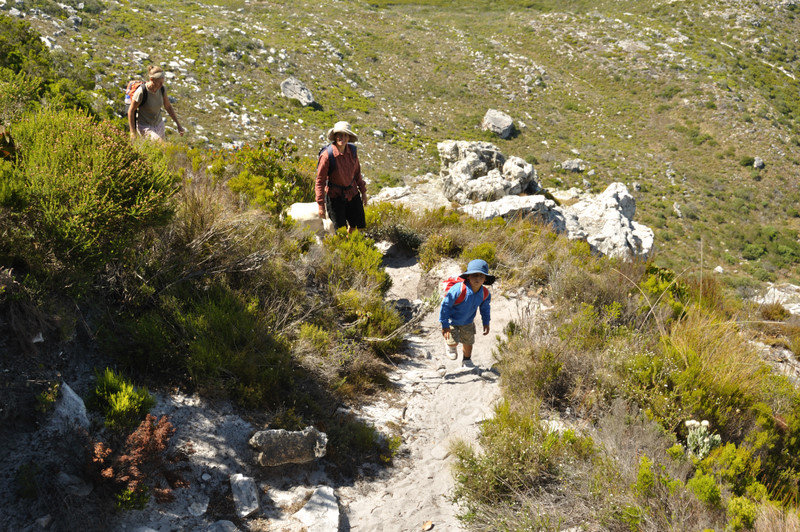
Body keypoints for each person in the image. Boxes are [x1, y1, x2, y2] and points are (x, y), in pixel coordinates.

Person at [439, 259, 495, 368]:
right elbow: (445, 305)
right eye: (474, 275)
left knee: (469, 343)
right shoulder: (459, 289)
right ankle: (450, 345)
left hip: (468, 322)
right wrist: (444, 324)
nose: (477, 278)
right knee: (453, 349)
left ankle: (467, 360)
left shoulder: (485, 293)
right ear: (468, 276)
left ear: (485, 278)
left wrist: (486, 322)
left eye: (481, 276)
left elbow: (485, 309)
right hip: (452, 321)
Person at [315, 121, 368, 233]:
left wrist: (363, 192)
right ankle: (345, 248)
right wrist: (321, 205)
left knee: (358, 225)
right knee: (341, 230)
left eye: (345, 135)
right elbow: (320, 181)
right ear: (335, 136)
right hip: (335, 197)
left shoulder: (352, 152)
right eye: (339, 135)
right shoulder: (327, 155)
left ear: (349, 138)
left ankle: (351, 244)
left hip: (352, 192)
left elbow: (357, 173)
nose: (342, 138)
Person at [128, 65, 185, 142]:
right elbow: (131, 111)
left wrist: (178, 125)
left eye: (162, 82)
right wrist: (132, 132)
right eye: (159, 83)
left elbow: (168, 107)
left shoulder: (162, 89)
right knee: (161, 145)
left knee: (160, 151)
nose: (161, 85)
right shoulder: (141, 92)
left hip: (159, 125)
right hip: (145, 126)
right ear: (152, 79)